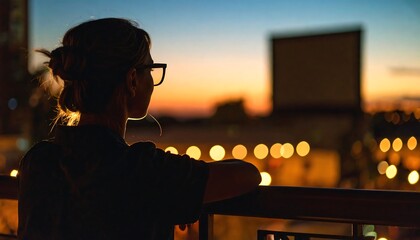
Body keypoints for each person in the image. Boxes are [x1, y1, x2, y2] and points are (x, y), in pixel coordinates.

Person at [18, 18, 261, 240]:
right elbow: (248, 175)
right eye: (151, 70)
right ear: (132, 79)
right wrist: (180, 193)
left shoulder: (37, 161)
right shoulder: (142, 169)